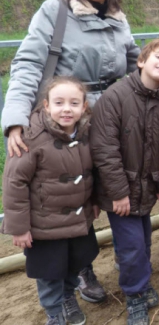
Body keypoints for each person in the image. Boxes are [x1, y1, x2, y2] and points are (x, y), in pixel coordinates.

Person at [1, 0, 140, 303]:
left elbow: (135, 66)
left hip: (109, 121)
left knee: (95, 190)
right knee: (67, 193)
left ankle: (94, 261)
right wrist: (16, 120)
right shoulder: (55, 11)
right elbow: (28, 64)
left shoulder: (118, 18)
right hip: (66, 122)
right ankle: (78, 272)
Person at [90, 39, 159, 325]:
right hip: (121, 192)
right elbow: (105, 150)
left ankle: (140, 283)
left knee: (142, 241)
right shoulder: (115, 96)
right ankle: (134, 294)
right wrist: (118, 193)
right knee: (131, 247)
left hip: (147, 188)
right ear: (141, 61)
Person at [1, 77, 98, 325]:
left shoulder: (87, 134)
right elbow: (15, 182)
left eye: (74, 103)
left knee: (75, 263)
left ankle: (68, 297)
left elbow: (95, 172)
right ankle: (54, 312)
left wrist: (95, 201)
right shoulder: (30, 138)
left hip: (77, 219)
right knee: (48, 273)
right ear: (46, 106)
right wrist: (20, 227)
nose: (67, 108)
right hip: (44, 224)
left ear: (84, 106)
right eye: (59, 102)